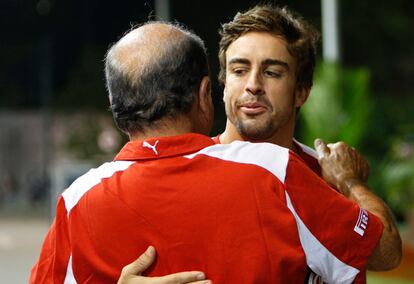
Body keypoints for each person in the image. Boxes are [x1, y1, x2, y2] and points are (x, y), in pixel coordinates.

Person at [31, 21, 399, 284]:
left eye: (272, 72)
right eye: (240, 70)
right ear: (214, 91)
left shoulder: (79, 197)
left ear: (302, 90)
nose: (253, 85)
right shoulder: (271, 170)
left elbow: (384, 253)